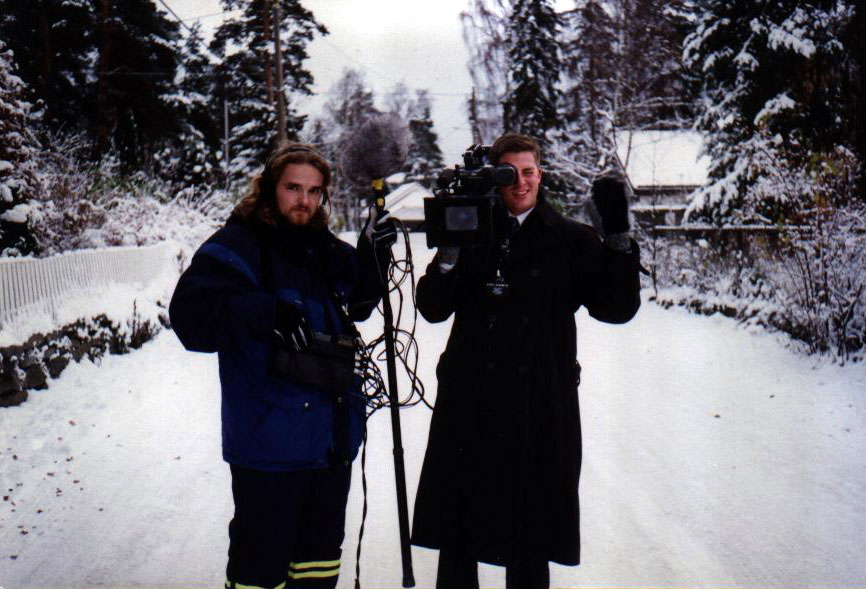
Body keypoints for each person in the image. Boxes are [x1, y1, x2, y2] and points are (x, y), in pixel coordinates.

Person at [410, 133, 642, 589]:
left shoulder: (571, 239)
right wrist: (450, 253)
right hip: (471, 403)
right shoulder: (471, 231)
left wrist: (618, 235)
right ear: (494, 177)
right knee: (459, 534)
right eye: (509, 173)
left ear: (541, 174)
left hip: (539, 404)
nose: (521, 183)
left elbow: (616, 308)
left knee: (531, 535)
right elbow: (433, 308)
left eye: (529, 172)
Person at [169, 143, 388, 589]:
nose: (304, 200)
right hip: (269, 444)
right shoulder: (238, 245)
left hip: (330, 445)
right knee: (260, 571)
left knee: (317, 569)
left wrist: (372, 255)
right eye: (293, 188)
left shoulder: (327, 250)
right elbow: (190, 318)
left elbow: (359, 304)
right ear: (270, 188)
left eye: (314, 191)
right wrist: (265, 311)